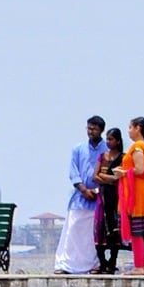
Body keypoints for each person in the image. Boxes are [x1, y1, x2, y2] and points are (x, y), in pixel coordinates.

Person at [54, 115, 105, 274]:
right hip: (79, 197)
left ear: (101, 130)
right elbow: (73, 171)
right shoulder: (78, 148)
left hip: (99, 197)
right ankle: (67, 265)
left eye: (94, 129)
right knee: (73, 230)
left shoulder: (107, 149)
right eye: (89, 128)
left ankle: (92, 265)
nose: (91, 132)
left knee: (93, 235)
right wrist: (83, 189)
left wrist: (96, 190)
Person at [114, 116, 144, 275]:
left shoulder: (139, 147)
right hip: (140, 191)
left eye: (130, 127)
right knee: (137, 232)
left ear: (138, 128)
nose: (128, 131)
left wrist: (123, 172)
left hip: (136, 194)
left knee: (136, 232)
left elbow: (139, 170)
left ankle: (140, 266)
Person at [93, 127, 125, 274]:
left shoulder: (123, 158)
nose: (108, 142)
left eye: (111, 139)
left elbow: (121, 179)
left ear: (118, 141)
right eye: (107, 139)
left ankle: (112, 262)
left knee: (114, 229)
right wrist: (109, 179)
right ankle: (102, 262)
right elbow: (95, 176)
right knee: (100, 227)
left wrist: (106, 178)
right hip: (103, 196)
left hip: (116, 197)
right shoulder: (102, 156)